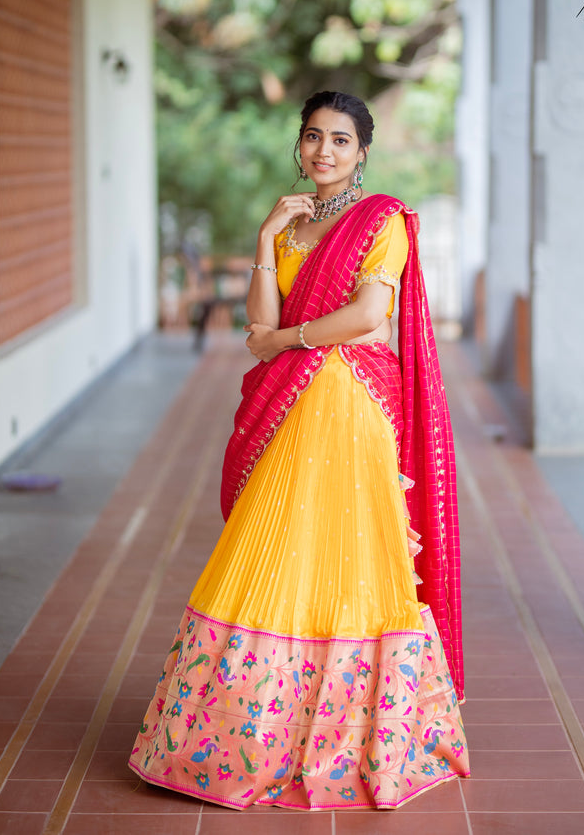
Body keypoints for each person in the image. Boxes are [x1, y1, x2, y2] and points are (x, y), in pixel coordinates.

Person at [129, 91, 470, 810]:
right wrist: (263, 239)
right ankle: (246, 740)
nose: (324, 152)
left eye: (341, 141)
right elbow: (259, 321)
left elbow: (368, 318)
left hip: (352, 410)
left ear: (363, 152)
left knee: (351, 557)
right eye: (314, 137)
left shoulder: (383, 222)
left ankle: (353, 737)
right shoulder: (289, 229)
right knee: (271, 545)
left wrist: (286, 340)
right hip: (291, 413)